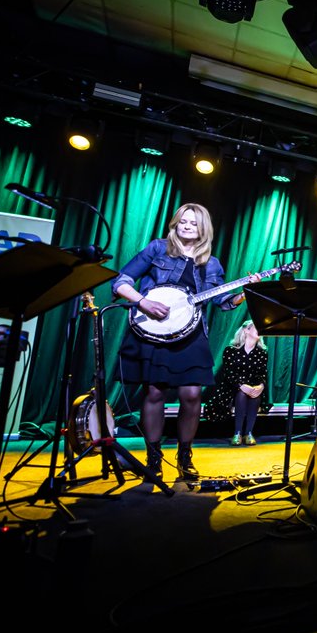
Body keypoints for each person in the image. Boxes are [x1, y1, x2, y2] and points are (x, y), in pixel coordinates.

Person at [113, 203, 253, 480]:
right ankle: (153, 459)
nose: (187, 226)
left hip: (190, 334)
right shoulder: (157, 248)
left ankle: (184, 456)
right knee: (154, 393)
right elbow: (121, 281)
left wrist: (244, 293)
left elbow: (223, 303)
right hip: (152, 331)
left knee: (192, 395)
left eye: (194, 223)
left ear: (204, 229)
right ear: (175, 224)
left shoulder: (211, 264)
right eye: (182, 222)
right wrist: (143, 301)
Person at [204, 319, 268, 446]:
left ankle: (249, 432)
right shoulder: (230, 350)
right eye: (256, 327)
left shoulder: (262, 353)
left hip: (252, 386)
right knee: (241, 394)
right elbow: (229, 373)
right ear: (246, 330)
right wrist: (241, 385)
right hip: (232, 387)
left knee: (255, 395)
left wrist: (261, 386)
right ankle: (237, 432)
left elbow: (263, 373)